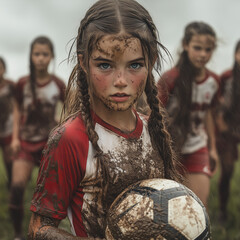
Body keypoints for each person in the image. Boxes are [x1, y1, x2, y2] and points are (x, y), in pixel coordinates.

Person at [27, 0, 183, 239]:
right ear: (83, 62)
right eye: (105, 65)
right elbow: (39, 229)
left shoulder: (153, 130)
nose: (120, 80)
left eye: (134, 65)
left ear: (150, 62)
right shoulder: (70, 139)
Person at [157, 21, 219, 208]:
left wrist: (213, 148)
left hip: (196, 147)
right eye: (197, 48)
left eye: (208, 50)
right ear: (185, 45)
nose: (203, 55)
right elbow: (155, 114)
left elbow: (208, 114)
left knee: (198, 208)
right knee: (169, 209)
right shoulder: (170, 79)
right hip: (169, 149)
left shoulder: (213, 81)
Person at [9, 36, 66, 240]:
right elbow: (17, 110)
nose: (41, 58)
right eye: (37, 54)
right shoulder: (23, 83)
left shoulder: (58, 84)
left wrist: (61, 131)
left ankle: (44, 232)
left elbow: (67, 109)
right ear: (31, 56)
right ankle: (17, 234)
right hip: (25, 143)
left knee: (48, 197)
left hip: (48, 146)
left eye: (45, 54)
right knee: (16, 188)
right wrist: (15, 138)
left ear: (51, 57)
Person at [214, 40, 240, 222]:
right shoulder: (226, 77)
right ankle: (222, 209)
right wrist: (220, 123)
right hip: (228, 130)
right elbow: (215, 104)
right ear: (236, 54)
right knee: (228, 170)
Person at [0, 57, 17, 189]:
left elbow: (18, 104)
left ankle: (11, 179)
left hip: (7, 126)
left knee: (8, 157)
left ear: (4, 69)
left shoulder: (10, 85)